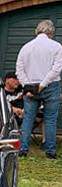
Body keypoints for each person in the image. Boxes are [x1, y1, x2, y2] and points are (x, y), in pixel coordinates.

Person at [16, 19, 62, 158]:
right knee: (50, 119)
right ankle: (50, 152)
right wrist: (43, 85)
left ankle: (23, 150)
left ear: (36, 31)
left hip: (30, 86)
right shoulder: (57, 46)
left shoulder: (26, 47)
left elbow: (19, 70)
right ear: (51, 32)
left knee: (28, 118)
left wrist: (27, 87)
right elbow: (56, 69)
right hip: (51, 86)